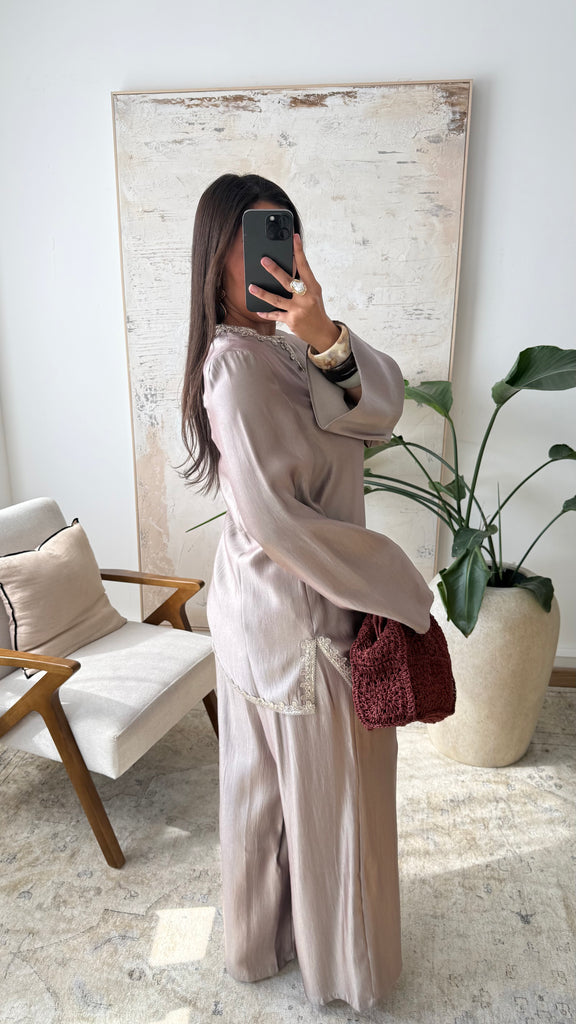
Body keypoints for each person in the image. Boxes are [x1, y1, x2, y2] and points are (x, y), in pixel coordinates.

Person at [180, 172, 433, 1013]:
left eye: (283, 232)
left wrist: (324, 334)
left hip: (258, 609)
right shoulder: (235, 368)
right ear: (215, 259)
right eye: (252, 239)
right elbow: (281, 523)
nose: (274, 254)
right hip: (301, 619)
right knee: (334, 801)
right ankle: (344, 968)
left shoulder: (288, 346)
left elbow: (379, 411)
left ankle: (259, 944)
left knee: (261, 791)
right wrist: (398, 586)